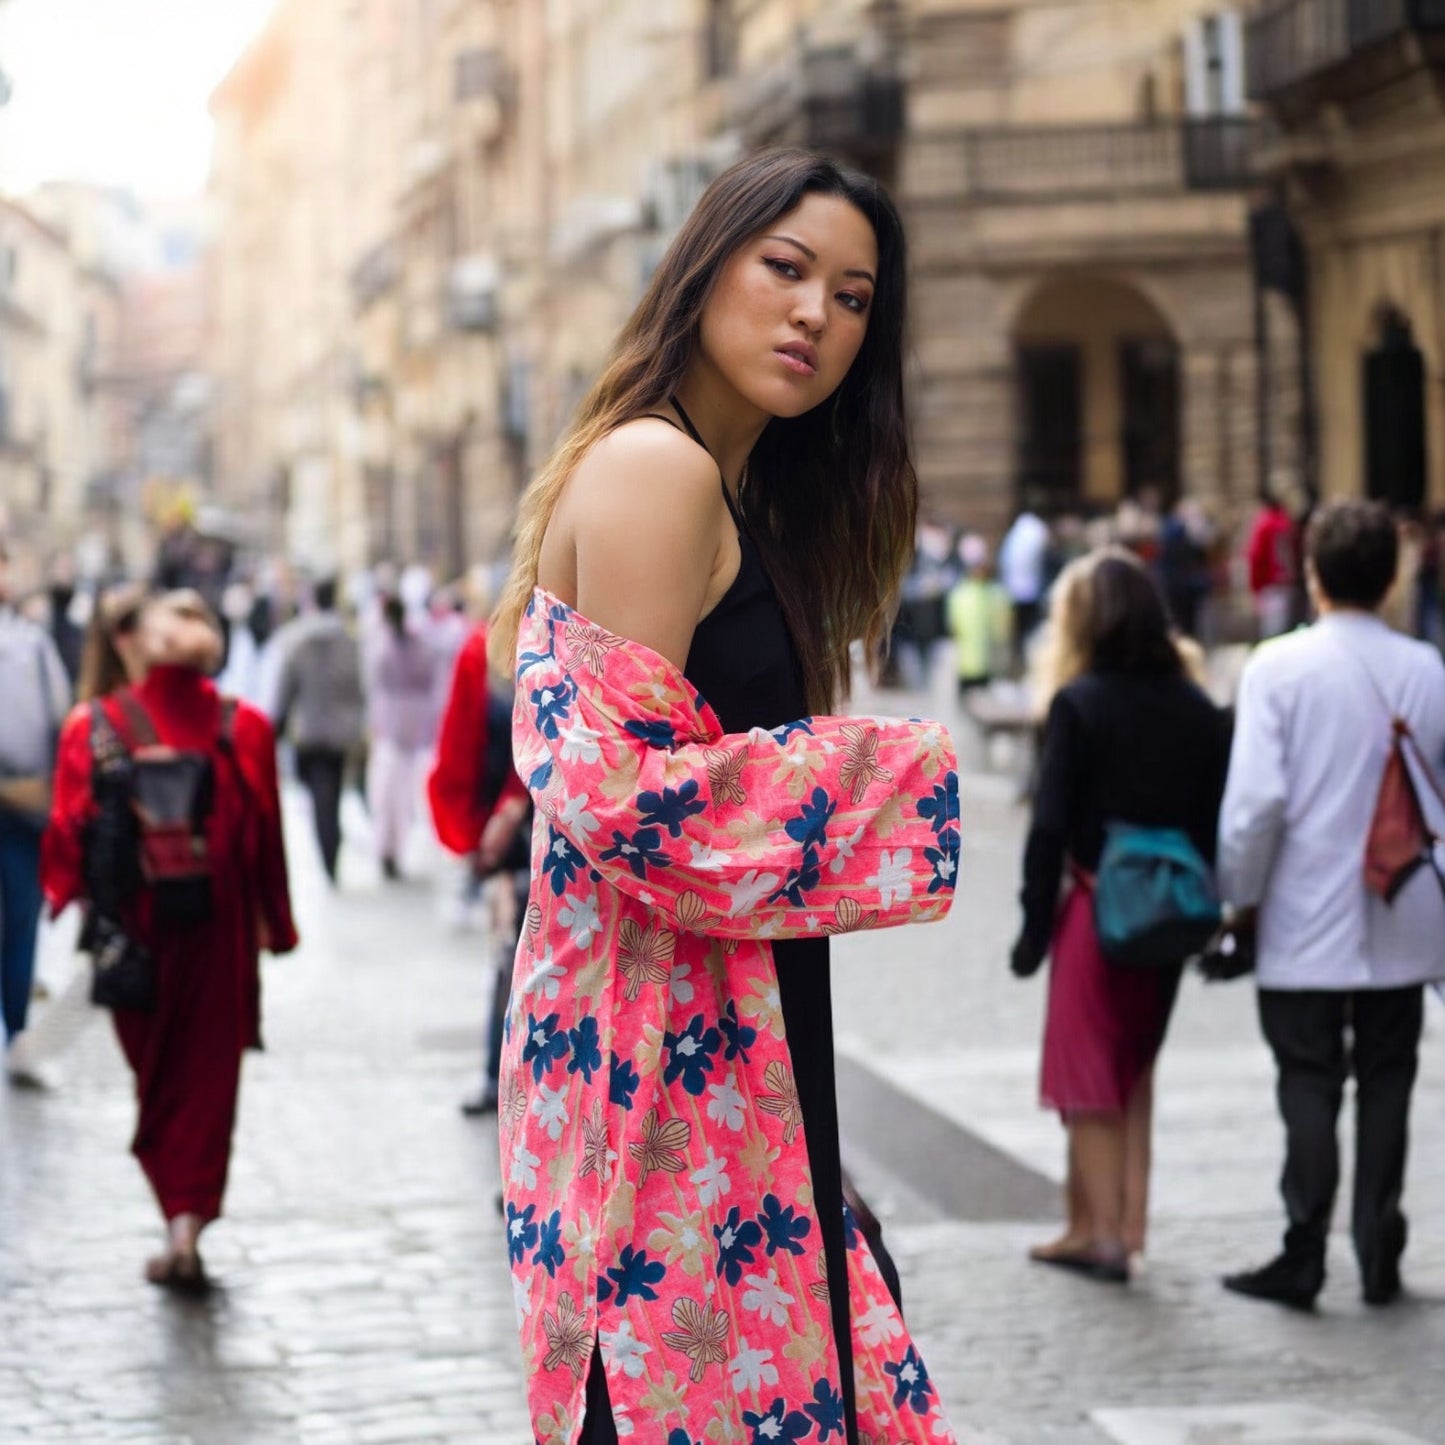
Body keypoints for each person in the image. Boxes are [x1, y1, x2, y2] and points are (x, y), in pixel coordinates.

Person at [487, 148, 962, 1443]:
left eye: (854, 297)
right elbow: (633, 806)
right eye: (787, 269)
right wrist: (902, 781)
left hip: (716, 1031)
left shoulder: (723, 482)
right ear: (706, 268)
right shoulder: (661, 469)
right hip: (655, 1065)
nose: (817, 314)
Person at [1218, 500, 1445, 1311]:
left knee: (1307, 1082)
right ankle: (1378, 1239)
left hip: (1300, 908)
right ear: (1391, 577)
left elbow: (1254, 806)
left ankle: (1303, 1247)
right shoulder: (1426, 668)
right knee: (1388, 1077)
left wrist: (1237, 898)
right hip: (1404, 909)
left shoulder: (1274, 668)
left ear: (1310, 572)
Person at [42, 590, 298, 1290]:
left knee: (155, 1076)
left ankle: (176, 1217)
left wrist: (64, 896)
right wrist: (276, 923)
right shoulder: (241, 723)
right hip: (217, 928)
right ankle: (187, 1223)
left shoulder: (94, 724)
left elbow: (68, 828)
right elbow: (265, 836)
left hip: (137, 929)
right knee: (206, 1080)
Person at [1010, 548, 1230, 1283]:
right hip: (1166, 916)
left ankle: (1099, 1234)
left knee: (1087, 1075)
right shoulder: (1198, 707)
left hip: (1096, 905)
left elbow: (1049, 825)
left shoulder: (1080, 702)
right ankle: (1113, 1222)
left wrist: (1034, 925)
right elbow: (1213, 824)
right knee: (1133, 1069)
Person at [426, 617, 532, 1116]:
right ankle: (499, 1074)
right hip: (510, 836)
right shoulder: (482, 650)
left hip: (543, 818)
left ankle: (508, 1078)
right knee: (510, 953)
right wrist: (479, 836)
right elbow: (459, 748)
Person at [0, 540, 72, 1058]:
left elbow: (59, 721)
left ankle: (18, 1023)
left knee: (24, 914)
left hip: (24, 801)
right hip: (25, 796)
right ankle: (17, 1025)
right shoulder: (32, 645)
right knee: (21, 915)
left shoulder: (34, 644)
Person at [270, 577, 366, 883]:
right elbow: (359, 687)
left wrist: (275, 729)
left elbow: (284, 690)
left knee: (318, 798)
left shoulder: (296, 640)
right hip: (340, 733)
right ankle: (331, 852)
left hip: (308, 732)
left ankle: (327, 852)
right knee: (333, 795)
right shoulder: (349, 642)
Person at [366, 593, 439, 880]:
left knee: (388, 794)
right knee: (400, 794)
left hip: (392, 725)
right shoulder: (416, 644)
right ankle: (391, 847)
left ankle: (389, 847)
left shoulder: (382, 644)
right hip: (410, 724)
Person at [944, 533, 1011, 693]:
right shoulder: (961, 593)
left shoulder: (995, 593)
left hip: (988, 661)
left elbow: (1003, 627)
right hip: (966, 661)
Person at [998, 503, 1050, 671]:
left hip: (1014, 591)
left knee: (1018, 635)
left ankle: (1018, 667)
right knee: (1030, 634)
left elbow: (1005, 561)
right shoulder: (1038, 530)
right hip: (1032, 591)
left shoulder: (1015, 533)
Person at [1246, 492, 1298, 640]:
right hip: (1287, 582)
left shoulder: (1264, 524)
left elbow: (1255, 556)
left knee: (1271, 634)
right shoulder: (1287, 523)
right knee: (1284, 630)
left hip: (1269, 584)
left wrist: (1255, 587)